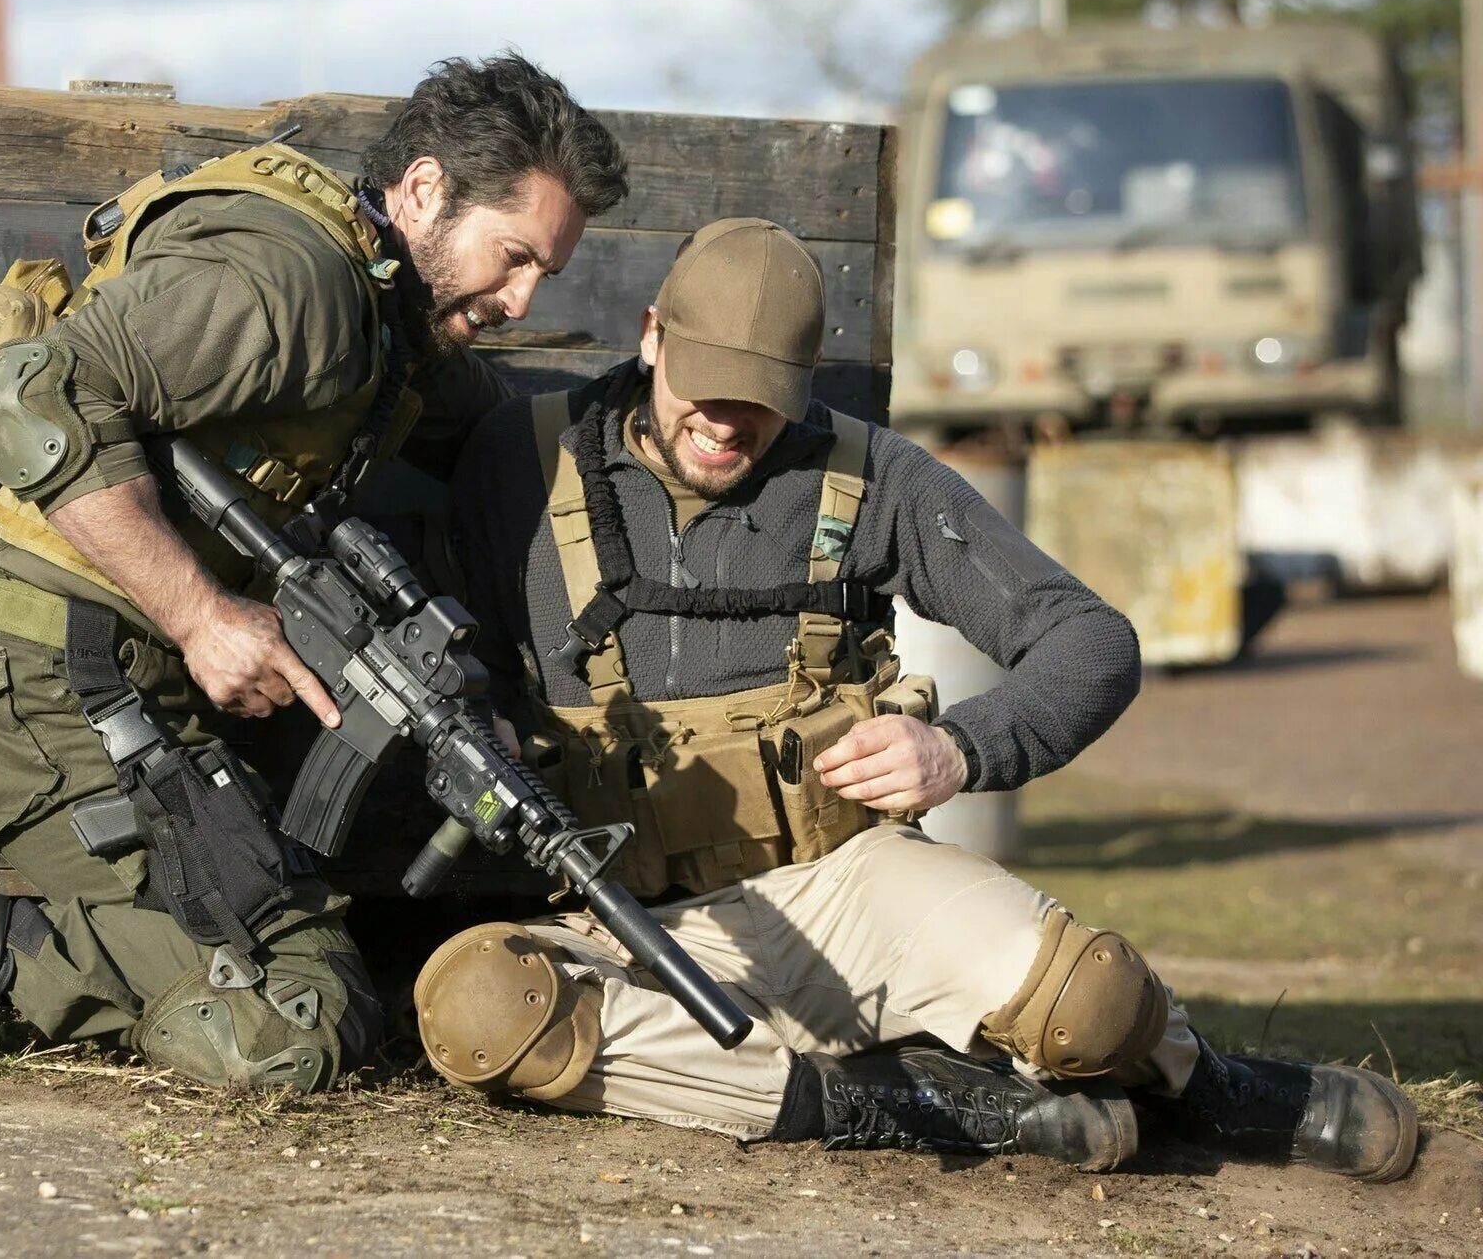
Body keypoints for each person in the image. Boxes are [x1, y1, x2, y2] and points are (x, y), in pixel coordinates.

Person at [413, 218, 1416, 1180]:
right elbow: (476, 676)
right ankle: (897, 1102)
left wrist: (961, 750)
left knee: (1090, 1003)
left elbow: (1091, 642)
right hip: (624, 921)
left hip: (853, 887)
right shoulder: (521, 460)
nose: (723, 422)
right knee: (482, 1009)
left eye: (758, 399)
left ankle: (1219, 1089)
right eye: (703, 385)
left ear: (802, 385)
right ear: (650, 336)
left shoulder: (869, 477)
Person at [0, 53, 631, 1094]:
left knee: (322, 995)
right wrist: (200, 615)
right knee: (288, 1030)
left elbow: (485, 422)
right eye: (512, 258)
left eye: (541, 276)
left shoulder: (381, 324)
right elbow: (35, 390)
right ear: (424, 191)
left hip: (107, 678)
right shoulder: (295, 288)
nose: (520, 298)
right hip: (29, 673)